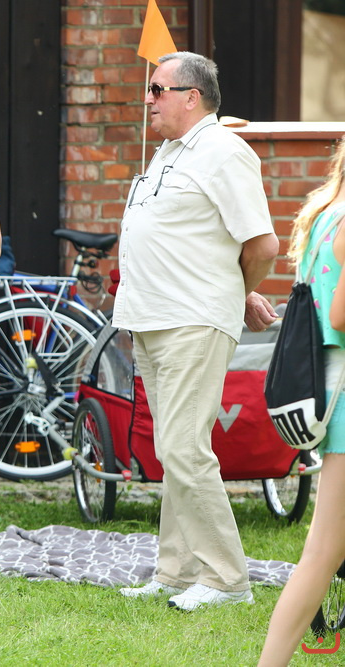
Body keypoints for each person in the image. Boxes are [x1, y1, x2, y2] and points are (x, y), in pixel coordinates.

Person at [112, 52, 278, 610]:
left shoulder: (224, 151)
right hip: (152, 318)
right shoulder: (167, 151)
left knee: (184, 448)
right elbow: (199, 239)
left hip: (192, 320)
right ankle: (177, 571)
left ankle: (228, 580)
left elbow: (261, 245)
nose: (148, 98)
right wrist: (239, 291)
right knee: (172, 448)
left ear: (192, 96)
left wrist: (234, 291)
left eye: (158, 89)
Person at [258, 139, 345, 665]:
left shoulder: (324, 212)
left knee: (324, 550)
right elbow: (340, 315)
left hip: (328, 391)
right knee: (322, 552)